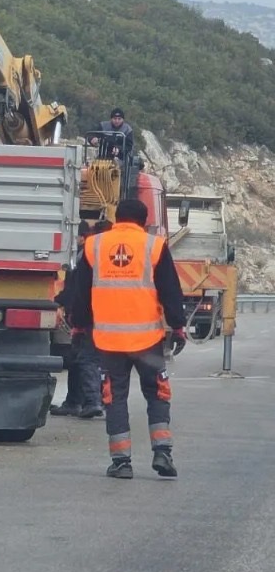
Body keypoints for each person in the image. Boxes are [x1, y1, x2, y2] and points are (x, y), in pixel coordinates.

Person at [64, 197, 187, 480]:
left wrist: (79, 326)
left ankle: (121, 462)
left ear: (117, 217)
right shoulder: (154, 246)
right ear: (143, 221)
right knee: (158, 394)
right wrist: (178, 326)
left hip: (109, 343)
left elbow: (81, 293)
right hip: (148, 342)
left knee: (114, 398)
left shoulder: (95, 245)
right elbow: (170, 290)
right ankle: (162, 452)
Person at [51, 220, 110, 418]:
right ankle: (76, 401)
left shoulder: (87, 254)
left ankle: (92, 401)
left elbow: (78, 290)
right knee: (81, 359)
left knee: (86, 358)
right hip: (106, 314)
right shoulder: (107, 254)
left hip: (89, 315)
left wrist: (61, 304)